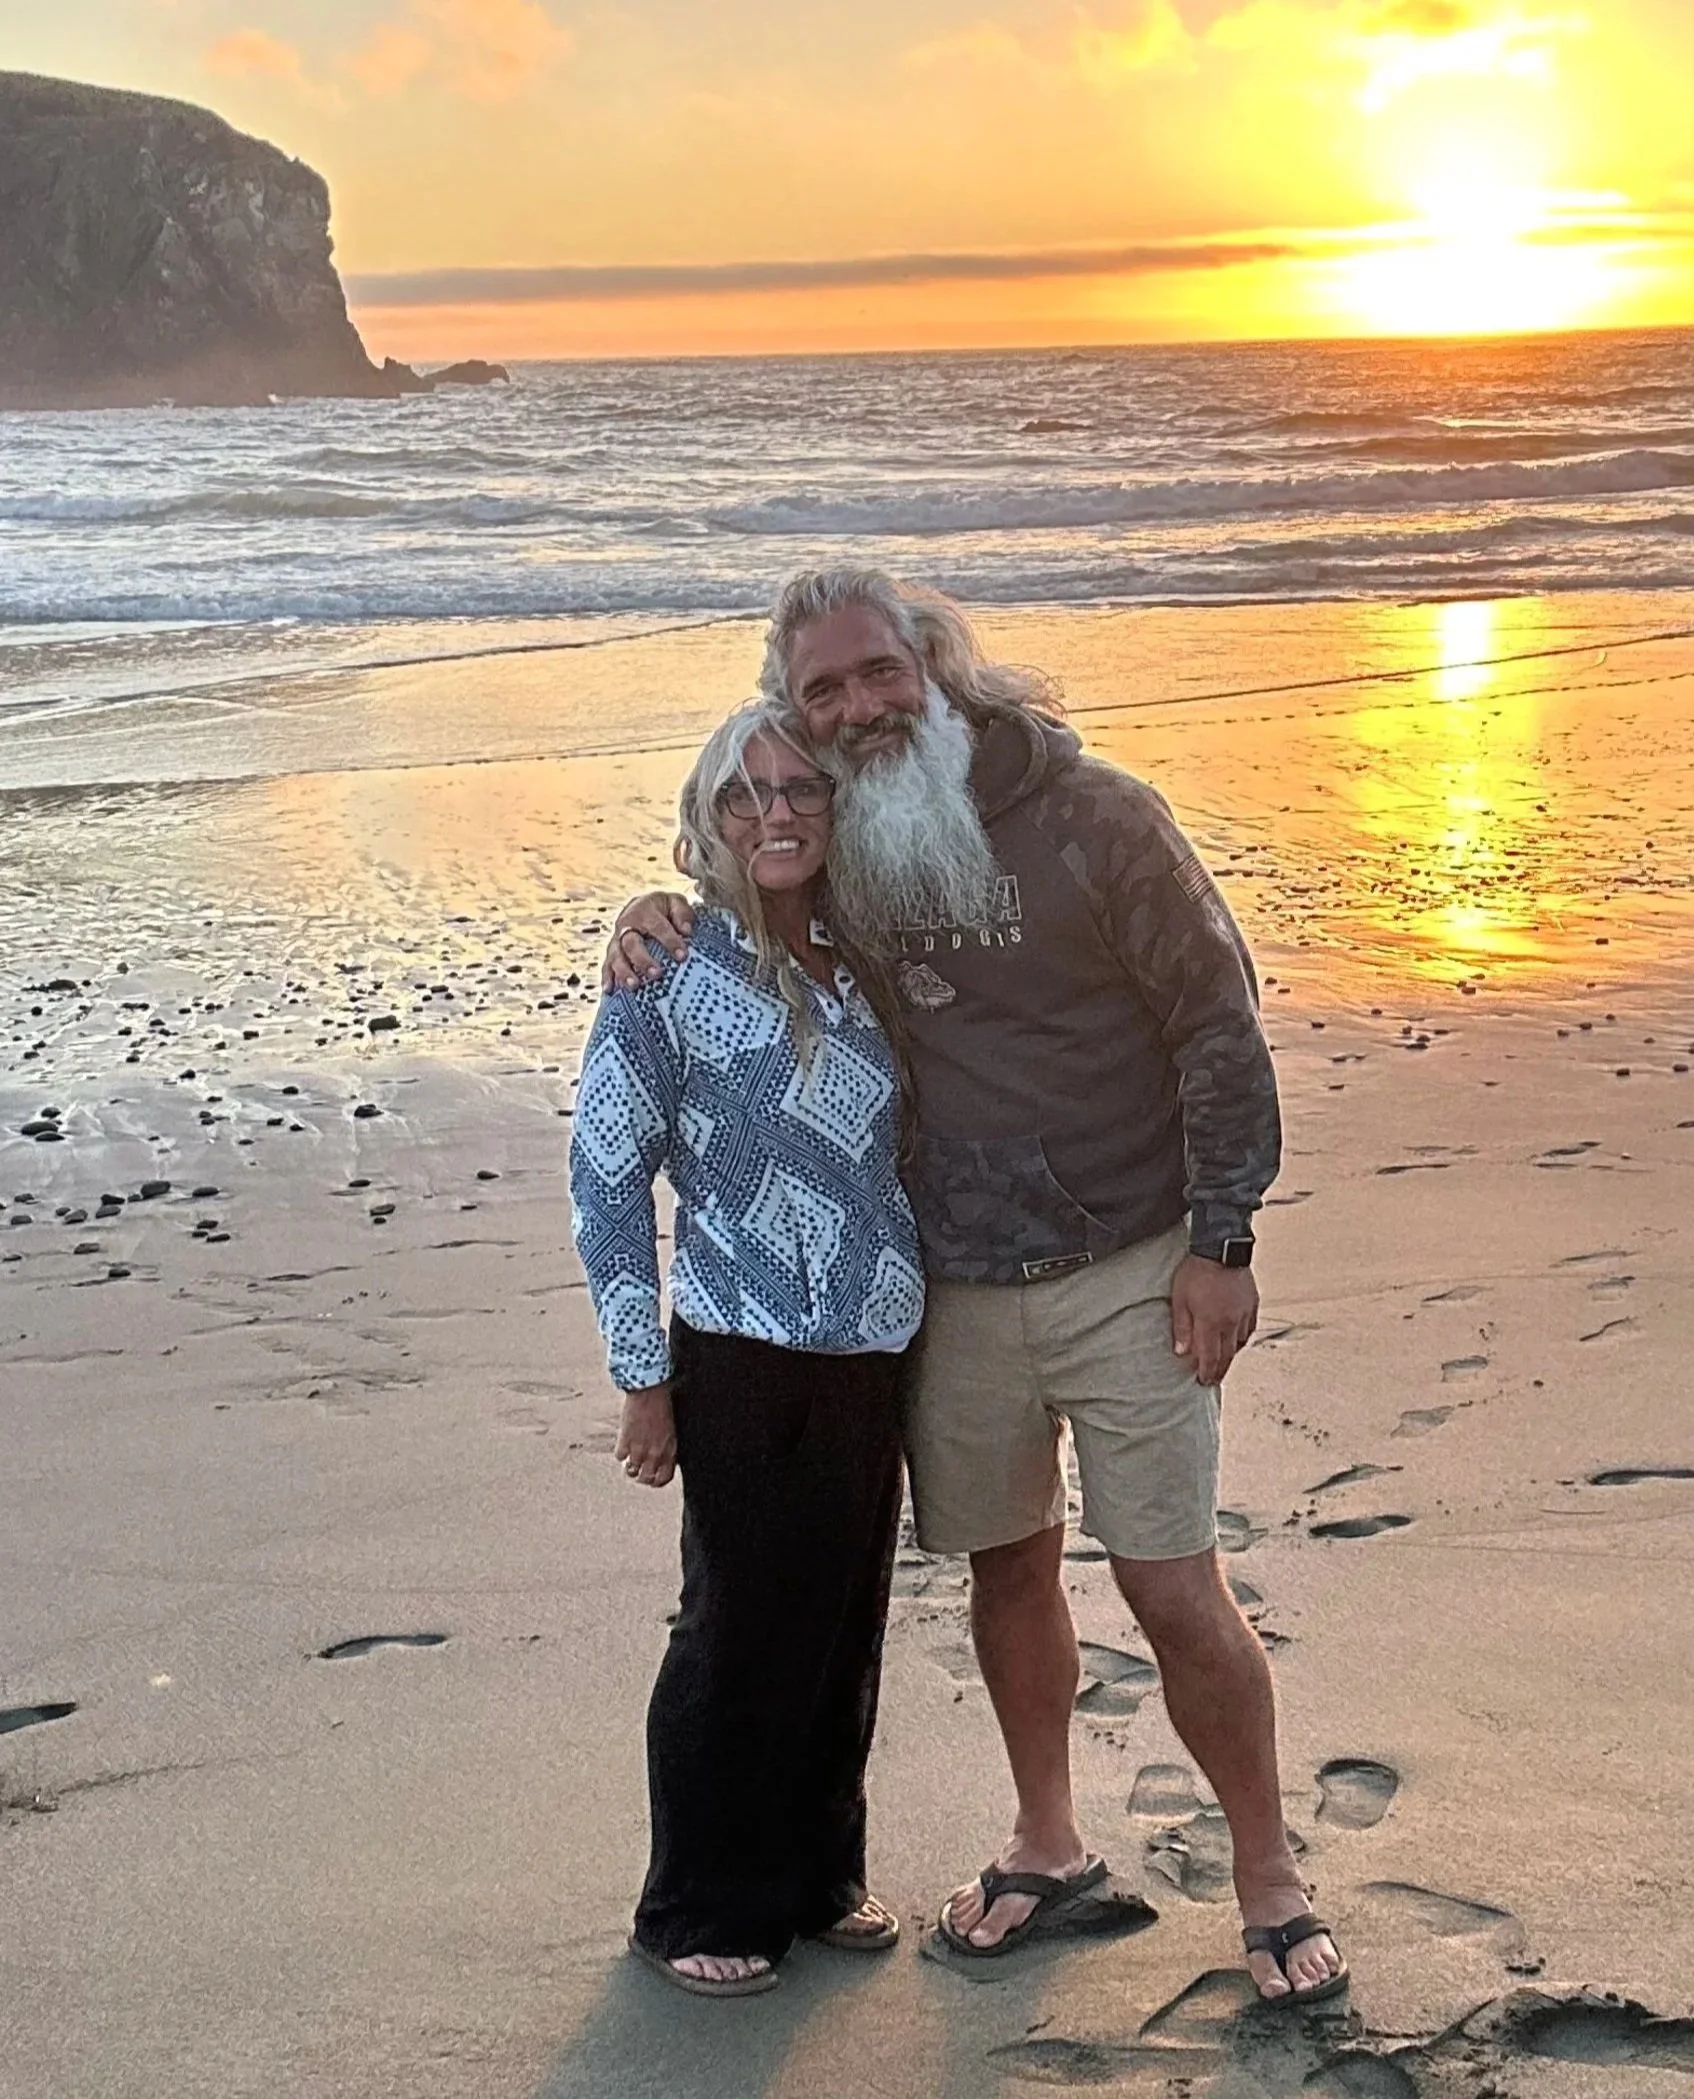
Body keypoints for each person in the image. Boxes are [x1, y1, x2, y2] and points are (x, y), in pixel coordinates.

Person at [605, 570, 1349, 2006]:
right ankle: (1046, 1842)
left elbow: (1216, 1022)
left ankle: (1267, 1877)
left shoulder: (1099, 819)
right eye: (823, 691)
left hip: (1133, 1266)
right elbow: (739, 882)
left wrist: (1223, 1239)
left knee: (1171, 1585)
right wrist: (648, 909)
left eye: (879, 672)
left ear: (938, 664)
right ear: (797, 712)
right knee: (1007, 1564)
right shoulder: (847, 841)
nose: (859, 707)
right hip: (943, 1290)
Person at [570, 697, 924, 1997]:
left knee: (842, 1623)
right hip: (737, 1341)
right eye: (744, 793)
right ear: (707, 817)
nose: (773, 812)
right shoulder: (668, 967)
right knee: (736, 1626)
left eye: (799, 790)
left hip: (871, 1340)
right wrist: (639, 1374)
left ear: (833, 813)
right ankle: (697, 1904)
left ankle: (818, 1873)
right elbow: (609, 1175)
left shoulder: (862, 952)